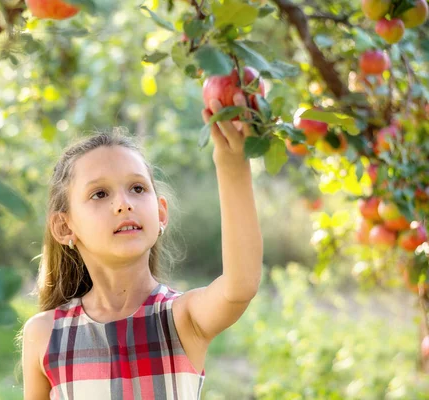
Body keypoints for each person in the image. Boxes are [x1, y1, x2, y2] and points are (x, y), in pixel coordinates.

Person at [21, 93, 263, 400]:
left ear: (161, 213)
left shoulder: (180, 318)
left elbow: (240, 285)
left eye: (137, 188)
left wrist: (232, 164)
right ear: (65, 226)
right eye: (100, 194)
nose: (123, 204)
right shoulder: (44, 335)